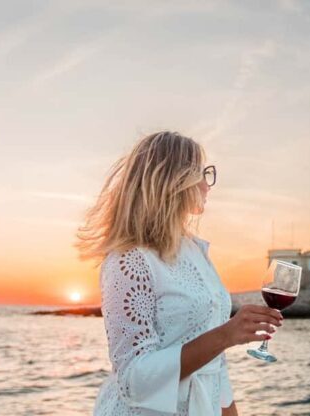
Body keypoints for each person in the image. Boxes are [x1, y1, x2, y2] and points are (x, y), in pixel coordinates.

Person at [77, 131, 283, 415]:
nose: (207, 185)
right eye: (202, 173)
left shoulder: (196, 251)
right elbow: (132, 380)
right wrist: (227, 335)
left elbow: (215, 370)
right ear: (174, 181)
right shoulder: (130, 259)